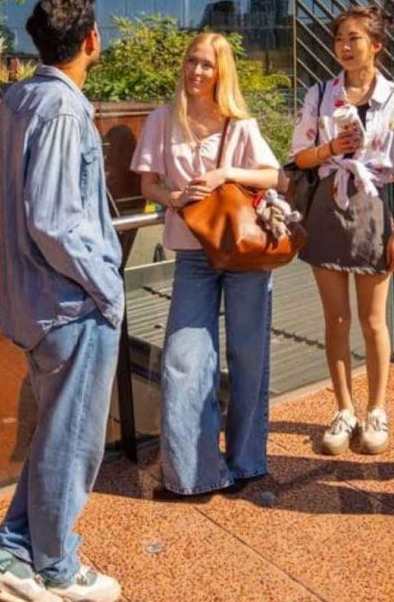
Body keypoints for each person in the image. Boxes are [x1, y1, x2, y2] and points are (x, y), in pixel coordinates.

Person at [0, 0, 124, 602]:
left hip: (37, 302)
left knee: (54, 433)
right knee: (71, 440)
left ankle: (10, 550)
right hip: (69, 304)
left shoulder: (20, 97)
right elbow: (55, 220)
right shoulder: (62, 108)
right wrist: (106, 286)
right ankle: (57, 568)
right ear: (91, 40)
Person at [131, 32, 280, 497]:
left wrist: (226, 173)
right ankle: (195, 473)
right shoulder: (162, 119)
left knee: (247, 355)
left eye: (207, 66)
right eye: (192, 62)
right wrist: (174, 197)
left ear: (221, 73)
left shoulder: (239, 124)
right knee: (184, 359)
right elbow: (148, 185)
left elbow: (275, 176)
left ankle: (247, 459)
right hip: (192, 252)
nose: (196, 72)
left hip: (243, 252)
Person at [290, 4, 394, 455]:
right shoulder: (319, 94)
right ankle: (343, 408)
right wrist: (332, 147)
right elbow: (298, 157)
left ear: (376, 45)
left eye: (354, 38)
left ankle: (376, 409)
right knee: (335, 318)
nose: (345, 47)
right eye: (339, 39)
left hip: (374, 210)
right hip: (328, 210)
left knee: (373, 322)